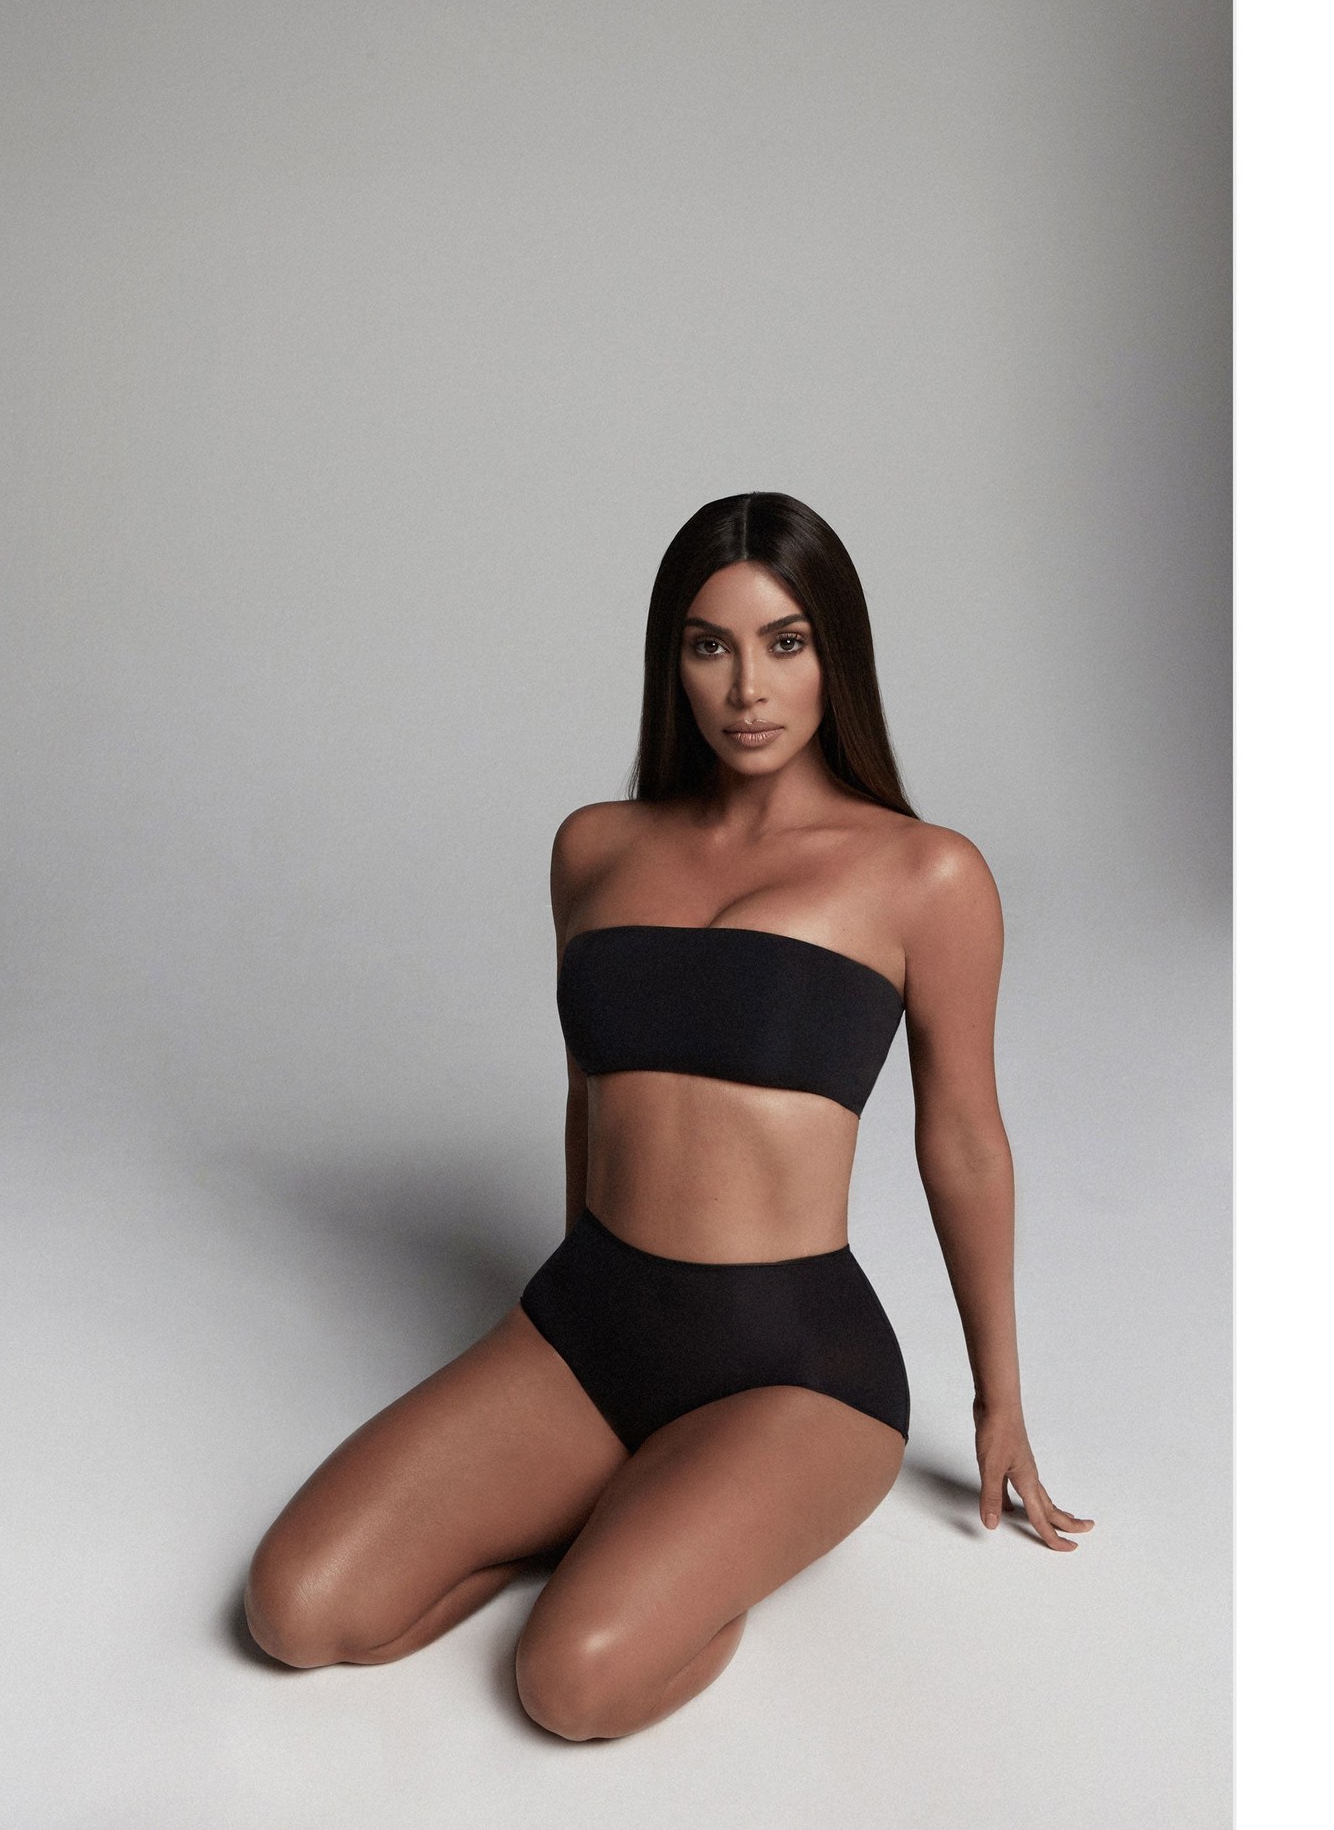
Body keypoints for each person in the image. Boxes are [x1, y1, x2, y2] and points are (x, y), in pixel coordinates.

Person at [243, 491, 1092, 1740]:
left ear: (836, 656)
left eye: (785, 643)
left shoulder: (925, 874)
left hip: (796, 1368)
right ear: (672, 662)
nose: (748, 688)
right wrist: (566, 1315)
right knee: (293, 1612)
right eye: (710, 646)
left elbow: (962, 1139)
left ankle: (676, 1549)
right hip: (592, 1327)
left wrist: (998, 1397)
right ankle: (608, 1512)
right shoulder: (594, 848)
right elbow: (588, 1092)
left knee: (569, 1684)